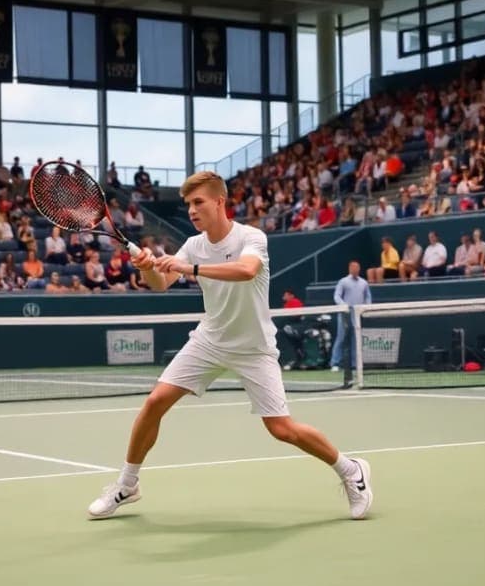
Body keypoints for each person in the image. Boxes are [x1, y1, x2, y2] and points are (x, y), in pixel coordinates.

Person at [86, 172, 373, 521]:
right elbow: (160, 284)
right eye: (188, 204)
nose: (192, 210)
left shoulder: (251, 237)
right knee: (155, 402)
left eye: (198, 202)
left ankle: (351, 470)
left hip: (254, 347)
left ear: (220, 201)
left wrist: (190, 268)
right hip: (210, 339)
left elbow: (247, 270)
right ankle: (127, 484)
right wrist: (148, 268)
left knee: (281, 429)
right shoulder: (193, 245)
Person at [330, 260, 371, 375]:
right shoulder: (343, 282)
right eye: (353, 267)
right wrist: (344, 306)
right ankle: (335, 363)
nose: (355, 269)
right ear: (349, 268)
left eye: (357, 267)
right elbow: (337, 296)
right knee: (341, 338)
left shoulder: (364, 283)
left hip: (357, 315)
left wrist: (366, 307)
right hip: (345, 315)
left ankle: (355, 364)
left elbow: (368, 297)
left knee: (356, 339)